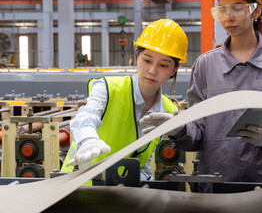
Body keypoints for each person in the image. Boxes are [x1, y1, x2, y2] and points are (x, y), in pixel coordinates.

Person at [140, 0, 262, 192]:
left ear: (256, 10)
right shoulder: (205, 66)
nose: (228, 17)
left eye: (237, 8)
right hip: (216, 186)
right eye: (222, 9)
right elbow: (198, 132)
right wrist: (180, 129)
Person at [61, 19, 188, 182]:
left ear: (174, 69)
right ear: (137, 56)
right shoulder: (108, 88)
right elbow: (86, 116)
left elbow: (143, 160)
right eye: (147, 60)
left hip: (120, 195)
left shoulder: (168, 111)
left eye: (163, 65)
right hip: (78, 187)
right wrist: (87, 140)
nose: (152, 71)